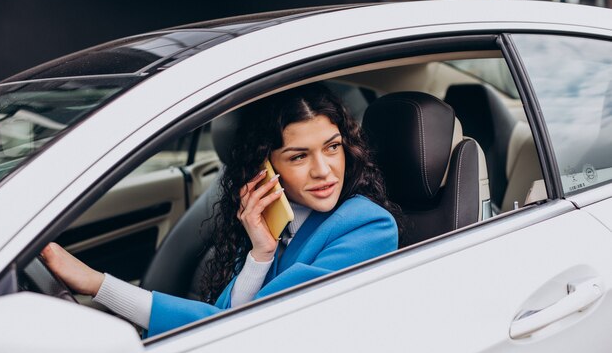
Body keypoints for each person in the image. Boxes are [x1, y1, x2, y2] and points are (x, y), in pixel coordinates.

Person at [42, 83, 404, 337]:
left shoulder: (369, 226)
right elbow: (227, 314)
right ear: (267, 167)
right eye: (298, 156)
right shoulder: (276, 222)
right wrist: (260, 253)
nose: (323, 170)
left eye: (332, 147)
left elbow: (243, 325)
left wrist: (98, 284)